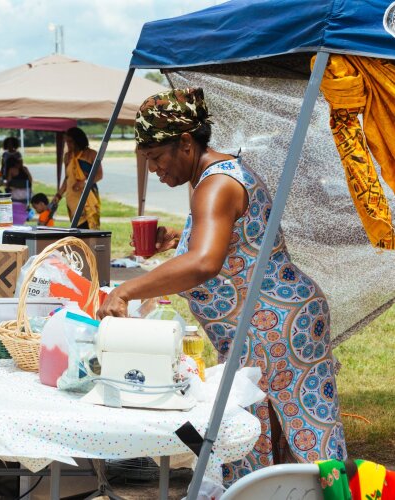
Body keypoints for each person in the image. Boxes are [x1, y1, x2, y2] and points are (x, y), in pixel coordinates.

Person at [96, 88, 347, 484]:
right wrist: (180, 238)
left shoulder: (214, 186)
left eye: (157, 159)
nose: (156, 171)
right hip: (278, 317)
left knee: (286, 432)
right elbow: (235, 242)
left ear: (184, 143)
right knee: (272, 431)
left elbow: (204, 263)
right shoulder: (221, 173)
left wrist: (126, 291)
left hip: (272, 324)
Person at [52, 127, 102, 229]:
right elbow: (67, 178)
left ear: (78, 140)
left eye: (70, 141)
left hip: (88, 196)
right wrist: (58, 195)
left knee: (90, 230)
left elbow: (99, 175)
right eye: (66, 142)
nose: (68, 145)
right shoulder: (67, 156)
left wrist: (85, 183)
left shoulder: (91, 154)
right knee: (77, 229)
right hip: (72, 198)